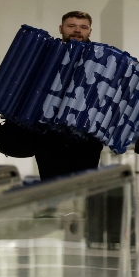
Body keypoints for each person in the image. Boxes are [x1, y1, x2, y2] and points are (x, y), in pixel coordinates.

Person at [32, 11, 105, 180]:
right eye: (71, 26)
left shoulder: (104, 61)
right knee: (51, 185)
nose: (77, 30)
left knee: (84, 186)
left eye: (83, 27)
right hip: (48, 136)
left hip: (86, 137)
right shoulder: (46, 56)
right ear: (61, 28)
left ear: (90, 31)